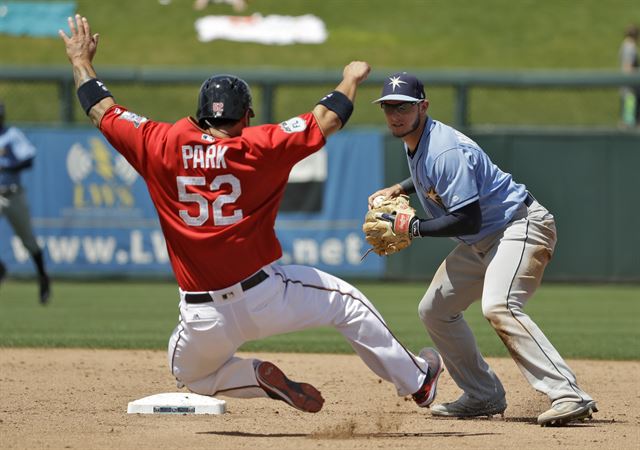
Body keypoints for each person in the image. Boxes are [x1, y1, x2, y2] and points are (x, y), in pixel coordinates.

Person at [59, 15, 444, 413]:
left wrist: (80, 60)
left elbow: (100, 108)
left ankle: (255, 375)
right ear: (246, 116)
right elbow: (327, 118)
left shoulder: (158, 142)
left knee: (192, 377)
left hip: (202, 314)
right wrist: (351, 77)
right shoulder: (260, 145)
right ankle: (418, 381)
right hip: (265, 296)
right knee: (348, 303)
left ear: (199, 114)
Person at [367, 72, 597, 426]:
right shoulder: (417, 138)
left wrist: (413, 228)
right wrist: (399, 189)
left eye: (404, 106)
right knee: (434, 309)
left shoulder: (445, 149)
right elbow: (430, 178)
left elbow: (467, 219)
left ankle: (568, 393)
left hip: (519, 227)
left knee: (499, 305)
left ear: (422, 107)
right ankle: (482, 394)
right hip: (484, 239)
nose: (395, 114)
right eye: (388, 107)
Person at [0, 101, 51, 304]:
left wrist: (7, 165)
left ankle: (43, 277)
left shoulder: (11, 135)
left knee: (28, 240)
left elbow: (28, 159)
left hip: (13, 194)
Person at [619, 24, 639, 128]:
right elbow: (628, 68)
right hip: (630, 90)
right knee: (628, 120)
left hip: (627, 89)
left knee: (628, 118)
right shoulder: (630, 47)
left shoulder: (625, 45)